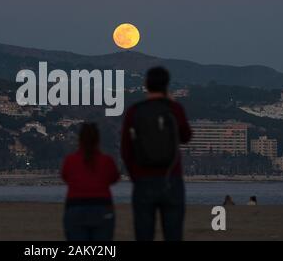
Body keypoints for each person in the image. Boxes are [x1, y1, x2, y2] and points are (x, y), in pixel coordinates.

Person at [121, 67, 192, 241]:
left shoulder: (134, 111)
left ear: (146, 85)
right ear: (167, 85)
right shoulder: (174, 108)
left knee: (144, 234)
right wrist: (172, 103)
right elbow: (186, 136)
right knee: (173, 234)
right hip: (171, 178)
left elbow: (125, 149)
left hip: (143, 180)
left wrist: (135, 175)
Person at [61, 123, 120, 241]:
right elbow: (114, 178)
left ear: (80, 139)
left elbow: (65, 177)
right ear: (98, 139)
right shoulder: (107, 161)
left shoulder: (70, 161)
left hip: (75, 208)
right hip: (102, 208)